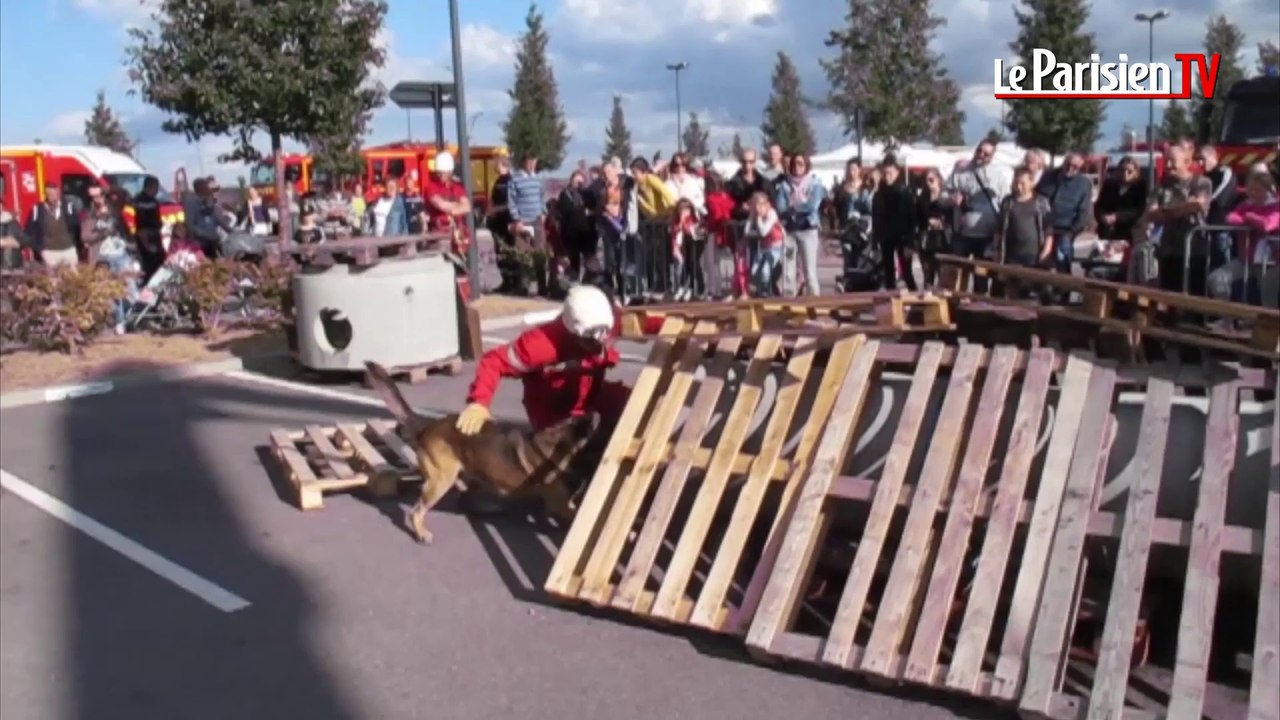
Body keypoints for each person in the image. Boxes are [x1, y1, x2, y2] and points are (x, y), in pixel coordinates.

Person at [456, 284, 661, 436]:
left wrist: (682, 325)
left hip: (592, 393)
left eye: (604, 337)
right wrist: (479, 402)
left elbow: (646, 322)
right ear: (574, 332)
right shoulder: (540, 345)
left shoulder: (609, 322)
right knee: (570, 461)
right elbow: (495, 361)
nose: (598, 345)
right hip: (553, 410)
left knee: (638, 402)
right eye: (589, 341)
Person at [1208, 170, 1279, 306]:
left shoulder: (1276, 206)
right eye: (1250, 190)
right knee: (1216, 278)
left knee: (1268, 291)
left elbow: (1267, 225)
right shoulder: (1246, 204)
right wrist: (1250, 221)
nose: (1253, 194)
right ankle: (1228, 319)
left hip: (1270, 261)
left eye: (1258, 190)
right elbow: (1230, 218)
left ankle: (1268, 325)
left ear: (1269, 190)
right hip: (1245, 258)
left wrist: (1248, 217)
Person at [774, 153, 826, 295]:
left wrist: (793, 208)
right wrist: (797, 207)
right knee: (788, 271)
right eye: (794, 163)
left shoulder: (815, 184)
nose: (797, 166)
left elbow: (812, 206)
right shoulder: (784, 185)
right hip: (790, 233)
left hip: (808, 231)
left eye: (801, 163)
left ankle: (814, 304)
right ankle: (789, 303)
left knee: (810, 272)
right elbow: (780, 208)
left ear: (806, 165)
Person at [871, 157, 917, 290]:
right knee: (888, 273)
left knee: (907, 272)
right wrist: (875, 242)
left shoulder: (904, 191)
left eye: (890, 173)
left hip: (902, 237)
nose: (887, 176)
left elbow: (912, 219)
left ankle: (917, 303)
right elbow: (876, 218)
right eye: (885, 173)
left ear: (897, 172)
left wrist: (910, 242)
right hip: (886, 237)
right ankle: (891, 302)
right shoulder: (879, 193)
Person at [24, 183, 81, 268]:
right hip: (49, 252)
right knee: (54, 279)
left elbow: (77, 227)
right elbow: (29, 231)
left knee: (74, 278)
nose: (54, 197)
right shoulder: (37, 210)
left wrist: (76, 246)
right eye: (50, 195)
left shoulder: (68, 207)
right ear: (45, 195)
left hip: (69, 249)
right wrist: (39, 249)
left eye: (56, 194)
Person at [745, 190, 786, 297]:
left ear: (766, 205)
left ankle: (765, 291)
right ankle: (758, 289)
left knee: (766, 269)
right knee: (754, 269)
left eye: (760, 206)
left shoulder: (771, 213)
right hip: (764, 246)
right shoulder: (754, 213)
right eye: (755, 206)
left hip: (776, 245)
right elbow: (746, 231)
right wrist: (753, 218)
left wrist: (758, 219)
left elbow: (763, 232)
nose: (758, 209)